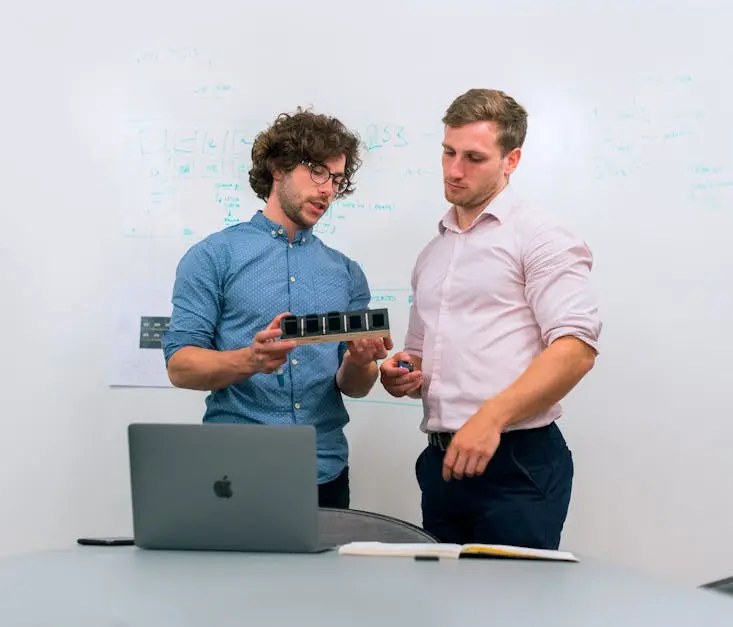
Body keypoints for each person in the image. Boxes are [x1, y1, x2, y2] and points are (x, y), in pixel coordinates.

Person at [379, 88, 602, 549]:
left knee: (511, 610)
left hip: (516, 463)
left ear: (511, 160)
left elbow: (576, 350)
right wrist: (403, 372)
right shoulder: (433, 252)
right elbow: (420, 357)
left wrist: (490, 418)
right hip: (442, 464)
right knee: (445, 612)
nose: (454, 170)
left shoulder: (541, 236)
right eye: (448, 152)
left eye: (474, 158)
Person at [163, 108, 390, 509]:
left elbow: (354, 386)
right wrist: (250, 360)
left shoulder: (346, 273)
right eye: (317, 172)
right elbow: (180, 366)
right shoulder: (213, 257)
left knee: (324, 576)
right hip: (234, 473)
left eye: (337, 180)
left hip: (325, 473)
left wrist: (360, 362)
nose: (327, 190)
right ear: (278, 167)